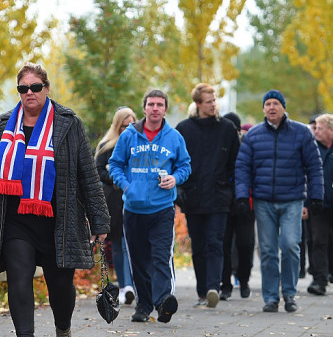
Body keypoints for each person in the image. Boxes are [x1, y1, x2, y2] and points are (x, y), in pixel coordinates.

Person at [0, 63, 110, 337]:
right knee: (18, 279)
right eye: (23, 88)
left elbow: (87, 173)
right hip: (17, 222)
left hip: (58, 223)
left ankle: (63, 331)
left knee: (61, 288)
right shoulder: (2, 125)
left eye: (35, 87)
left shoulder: (68, 123)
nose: (29, 93)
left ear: (46, 89)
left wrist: (100, 220)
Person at [234, 89, 324, 313]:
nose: (271, 107)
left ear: (283, 107)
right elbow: (243, 168)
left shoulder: (301, 133)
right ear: (263, 108)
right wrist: (243, 196)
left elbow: (314, 166)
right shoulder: (253, 135)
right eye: (267, 104)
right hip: (264, 201)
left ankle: (290, 294)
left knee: (291, 246)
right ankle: (271, 297)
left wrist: (316, 196)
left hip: (292, 199)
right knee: (267, 250)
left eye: (275, 103)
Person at [108, 89, 191, 323]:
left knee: (161, 256)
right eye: (151, 104)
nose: (155, 108)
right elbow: (114, 165)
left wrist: (175, 178)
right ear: (144, 108)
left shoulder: (174, 137)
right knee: (139, 260)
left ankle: (164, 300)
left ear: (165, 109)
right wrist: (126, 186)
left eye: (160, 104)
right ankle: (143, 306)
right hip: (133, 209)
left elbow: (185, 166)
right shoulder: (129, 136)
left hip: (162, 209)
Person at [175, 84, 240, 308]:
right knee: (199, 245)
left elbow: (236, 164)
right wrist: (179, 191)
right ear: (198, 104)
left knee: (215, 243)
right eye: (209, 101)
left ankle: (214, 287)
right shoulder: (184, 129)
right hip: (192, 197)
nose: (213, 104)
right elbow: (175, 163)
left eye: (215, 100)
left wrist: (233, 192)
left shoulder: (228, 129)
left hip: (219, 197)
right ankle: (203, 291)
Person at [95, 106, 138, 305]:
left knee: (134, 244)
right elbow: (97, 170)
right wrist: (114, 178)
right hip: (114, 199)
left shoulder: (139, 144)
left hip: (134, 197)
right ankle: (124, 286)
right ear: (118, 125)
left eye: (131, 124)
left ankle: (135, 285)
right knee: (120, 244)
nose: (127, 128)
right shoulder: (107, 145)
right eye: (124, 125)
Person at [307, 114, 333, 296]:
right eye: (315, 128)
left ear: (332, 130)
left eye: (320, 128)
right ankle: (320, 280)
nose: (316, 131)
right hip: (318, 203)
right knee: (318, 241)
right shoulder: (311, 148)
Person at [219, 112, 255, 301]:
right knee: (224, 244)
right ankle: (225, 283)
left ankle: (244, 280)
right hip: (224, 201)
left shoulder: (247, 146)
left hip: (245, 202)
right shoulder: (219, 146)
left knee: (245, 244)